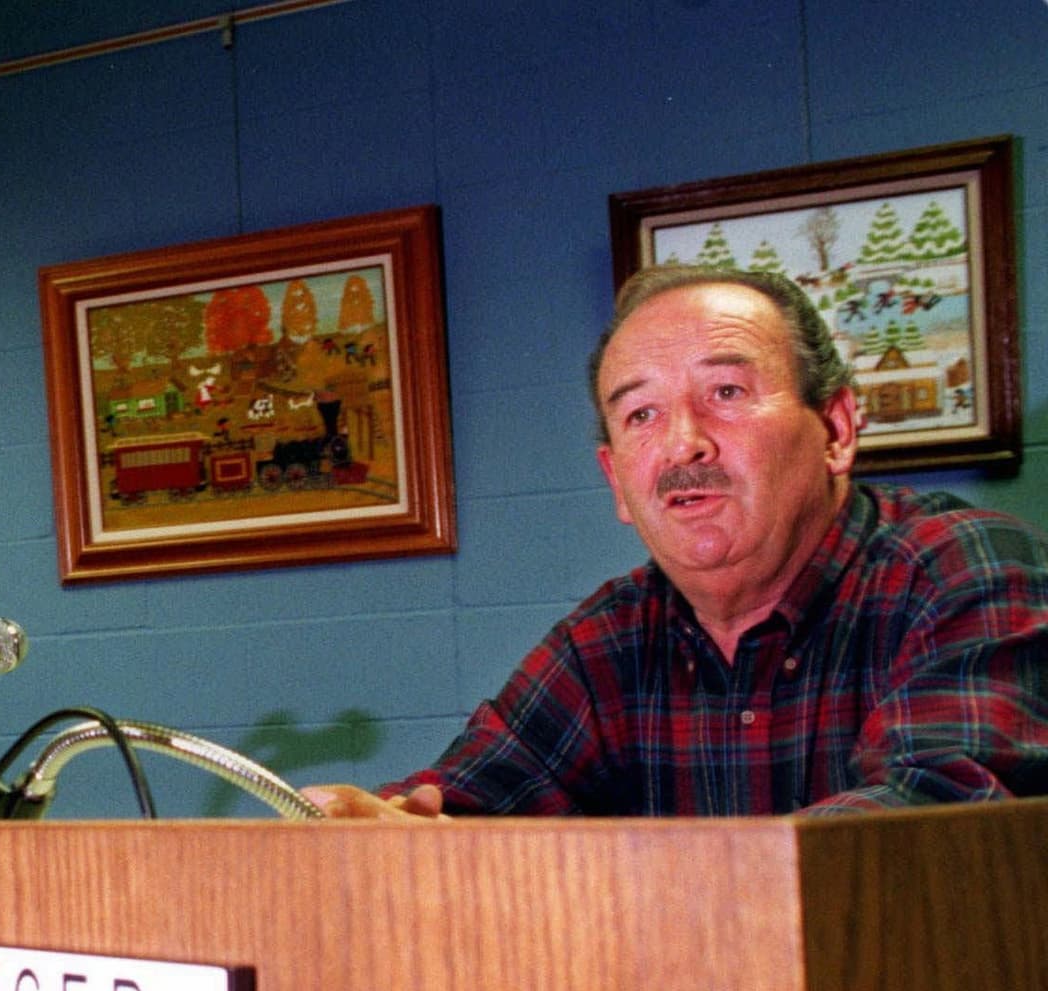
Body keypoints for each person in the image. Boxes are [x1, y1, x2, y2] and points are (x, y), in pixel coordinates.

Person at [306, 264, 1048, 819]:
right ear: (617, 482)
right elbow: (466, 802)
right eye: (641, 417)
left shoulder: (961, 568)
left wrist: (657, 886)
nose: (683, 445)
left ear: (837, 430)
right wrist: (378, 830)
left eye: (726, 394)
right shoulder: (611, 639)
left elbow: (938, 821)